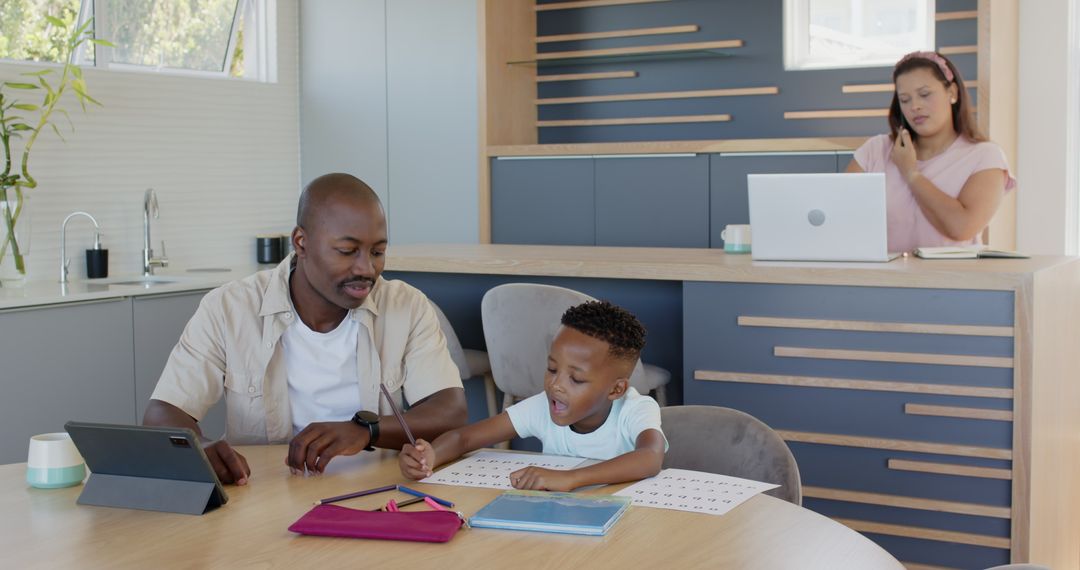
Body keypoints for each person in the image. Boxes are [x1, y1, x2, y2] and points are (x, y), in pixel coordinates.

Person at [144, 173, 467, 485]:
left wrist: (367, 431)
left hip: (376, 485)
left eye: (377, 252)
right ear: (301, 242)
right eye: (347, 251)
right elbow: (163, 411)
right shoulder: (229, 307)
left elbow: (450, 410)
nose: (366, 268)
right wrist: (201, 449)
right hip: (263, 490)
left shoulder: (406, 306)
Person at [399, 300, 667, 492]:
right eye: (552, 369)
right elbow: (464, 438)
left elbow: (650, 456)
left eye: (576, 379)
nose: (555, 385)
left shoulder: (636, 409)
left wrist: (570, 478)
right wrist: (430, 456)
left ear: (616, 390)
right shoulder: (543, 407)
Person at [846, 50, 1016, 253]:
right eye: (905, 99)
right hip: (883, 272)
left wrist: (911, 173)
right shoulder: (876, 150)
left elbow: (961, 228)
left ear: (952, 93)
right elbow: (839, 216)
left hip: (951, 273)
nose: (915, 106)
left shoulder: (985, 156)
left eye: (925, 95)